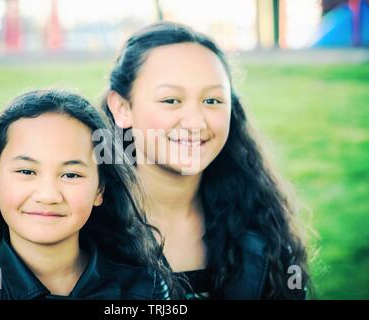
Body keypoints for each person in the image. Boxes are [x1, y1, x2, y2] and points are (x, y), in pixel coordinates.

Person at [103, 22, 310, 299]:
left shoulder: (261, 224)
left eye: (212, 101)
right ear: (122, 108)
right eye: (171, 100)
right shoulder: (84, 229)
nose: (195, 122)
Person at [0, 89, 172, 300]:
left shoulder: (144, 288)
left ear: (100, 190)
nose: (48, 195)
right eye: (26, 171)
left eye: (71, 175)